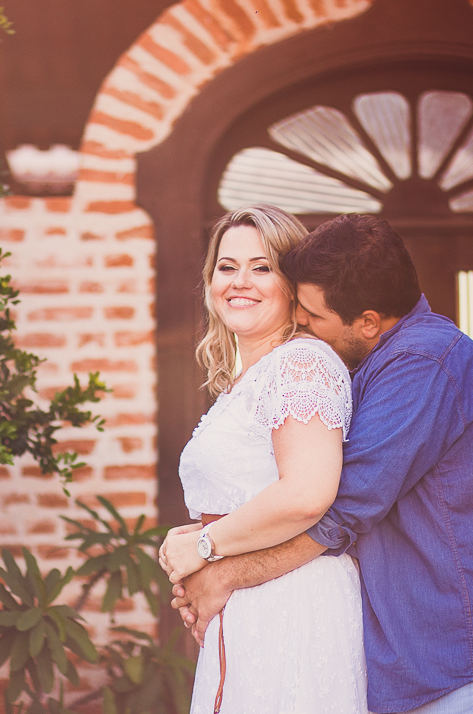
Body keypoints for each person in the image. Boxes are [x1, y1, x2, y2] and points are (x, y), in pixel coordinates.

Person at [173, 213, 473, 714]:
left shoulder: (423, 362)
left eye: (312, 314)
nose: (302, 324)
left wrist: (225, 570)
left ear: (367, 322)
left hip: (467, 656)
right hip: (428, 659)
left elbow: (341, 508)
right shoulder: (383, 362)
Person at [157, 203, 367, 714]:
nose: (240, 282)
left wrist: (204, 546)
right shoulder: (250, 377)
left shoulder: (301, 364)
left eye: (262, 267)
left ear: (292, 285)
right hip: (252, 601)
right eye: (227, 267)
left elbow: (306, 494)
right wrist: (196, 538)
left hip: (292, 602)